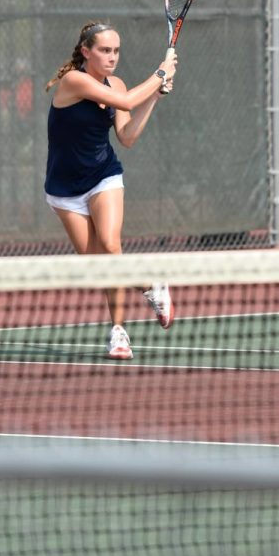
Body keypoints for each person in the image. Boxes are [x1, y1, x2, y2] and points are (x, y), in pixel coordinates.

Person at [44, 21, 177, 360]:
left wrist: (156, 97)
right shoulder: (74, 81)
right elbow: (126, 98)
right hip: (64, 189)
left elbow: (127, 135)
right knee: (98, 265)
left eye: (116, 50)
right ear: (86, 51)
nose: (112, 57)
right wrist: (159, 76)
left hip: (104, 176)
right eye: (104, 50)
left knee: (110, 244)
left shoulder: (116, 83)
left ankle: (118, 333)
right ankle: (151, 286)